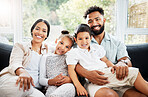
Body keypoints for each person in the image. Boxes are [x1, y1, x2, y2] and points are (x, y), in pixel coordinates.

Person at [75, 6, 147, 97]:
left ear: (104, 20)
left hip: (116, 79)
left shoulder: (116, 42)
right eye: (90, 21)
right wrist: (87, 74)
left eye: (97, 19)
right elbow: (71, 62)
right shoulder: (81, 41)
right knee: (110, 95)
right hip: (94, 83)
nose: (94, 23)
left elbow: (126, 60)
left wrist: (122, 63)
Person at [0, 19, 50, 97]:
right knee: (19, 86)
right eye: (37, 29)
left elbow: (63, 48)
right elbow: (14, 63)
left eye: (44, 31)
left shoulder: (48, 50)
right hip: (16, 79)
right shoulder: (21, 46)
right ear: (32, 31)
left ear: (46, 35)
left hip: (34, 88)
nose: (40, 32)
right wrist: (22, 72)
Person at [39, 30, 76, 97]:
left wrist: (70, 80)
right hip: (52, 85)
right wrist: (52, 81)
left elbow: (74, 74)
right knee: (51, 92)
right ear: (56, 41)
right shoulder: (45, 57)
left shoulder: (68, 57)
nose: (62, 48)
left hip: (66, 85)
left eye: (67, 47)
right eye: (61, 43)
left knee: (70, 87)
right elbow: (41, 80)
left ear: (69, 49)